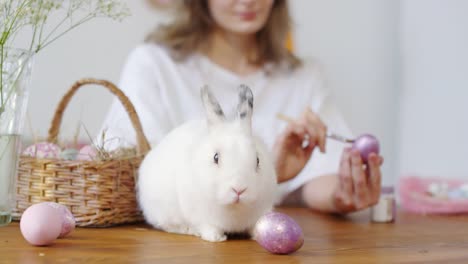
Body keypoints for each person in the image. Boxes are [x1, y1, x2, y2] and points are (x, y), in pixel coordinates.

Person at [99, 0, 384, 214]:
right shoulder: (154, 66)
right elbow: (129, 177)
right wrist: (267, 174)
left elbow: (320, 178)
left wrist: (345, 193)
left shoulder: (303, 77)